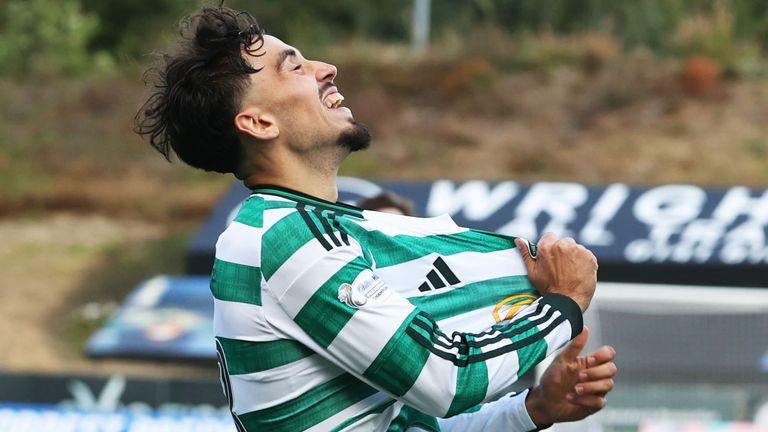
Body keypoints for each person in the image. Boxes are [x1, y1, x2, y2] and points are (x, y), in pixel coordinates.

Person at [135, 6, 616, 431]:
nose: (327, 69)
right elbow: (444, 379)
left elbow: (403, 423)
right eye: (296, 67)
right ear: (260, 123)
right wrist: (562, 305)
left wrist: (534, 407)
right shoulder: (281, 236)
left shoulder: (298, 229)